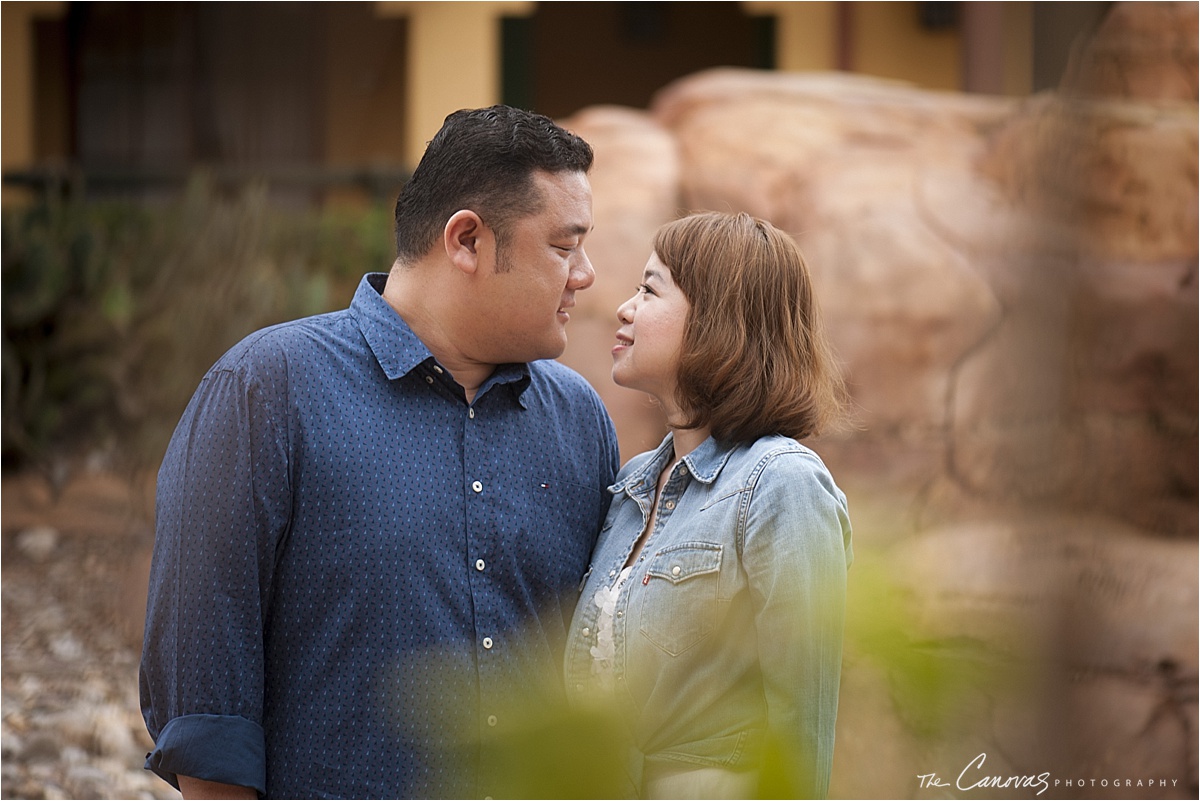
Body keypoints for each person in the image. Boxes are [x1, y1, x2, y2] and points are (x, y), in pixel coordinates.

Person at [140, 105, 619, 799]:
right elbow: (206, 708)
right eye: (564, 246)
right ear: (467, 240)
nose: (587, 275)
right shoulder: (265, 390)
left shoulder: (579, 422)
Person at [564, 211, 853, 799]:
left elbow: (803, 727)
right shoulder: (630, 487)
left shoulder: (782, 484)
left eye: (649, 289)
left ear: (719, 318)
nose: (624, 308)